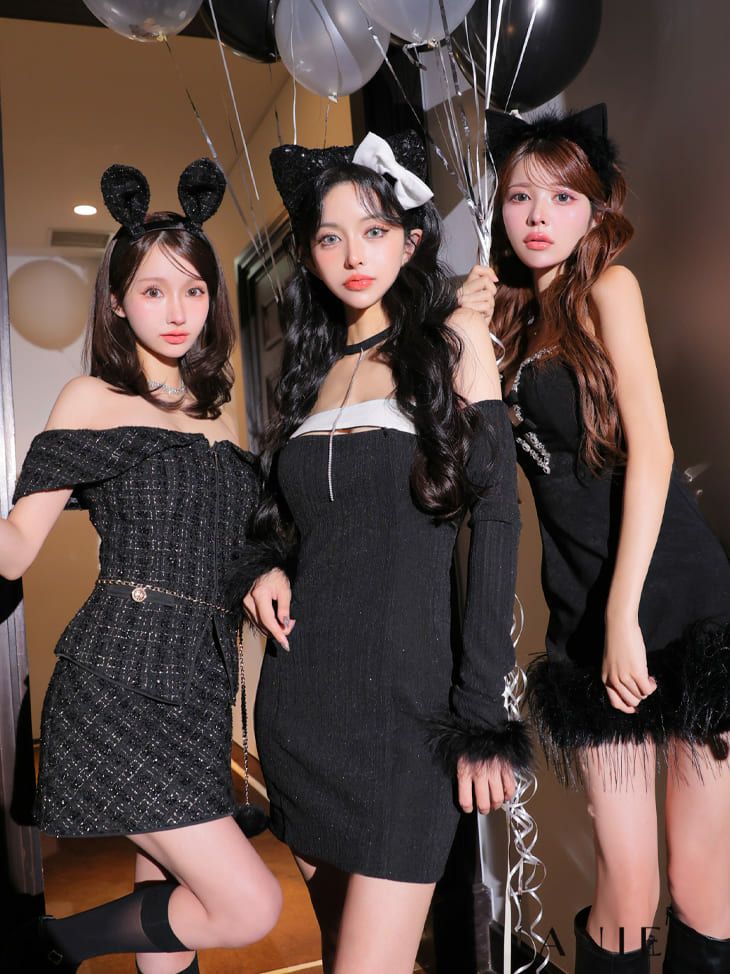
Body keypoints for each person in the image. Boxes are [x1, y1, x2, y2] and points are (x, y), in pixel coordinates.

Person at [234, 130, 531, 974]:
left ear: (410, 240)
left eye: (373, 231)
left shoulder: (454, 346)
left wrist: (481, 713)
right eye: (330, 238)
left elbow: (495, 523)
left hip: (411, 721)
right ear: (308, 255)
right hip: (301, 710)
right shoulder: (308, 375)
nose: (353, 256)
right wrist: (260, 566)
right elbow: (289, 525)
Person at [1, 159, 282, 973]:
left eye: (194, 289)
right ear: (118, 302)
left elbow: (234, 545)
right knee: (248, 904)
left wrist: (264, 572)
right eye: (154, 290)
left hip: (199, 687)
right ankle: (51, 943)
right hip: (119, 681)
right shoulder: (91, 399)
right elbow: (16, 546)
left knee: (173, 900)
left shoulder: (217, 415)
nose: (178, 310)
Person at [483, 104, 730, 973]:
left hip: (676, 598)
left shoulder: (607, 291)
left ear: (595, 208)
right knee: (628, 888)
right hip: (582, 612)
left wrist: (624, 613)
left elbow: (653, 449)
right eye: (520, 196)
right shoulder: (501, 323)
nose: (539, 215)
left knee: (701, 882)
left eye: (562, 196)